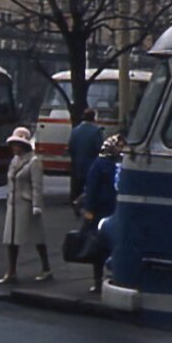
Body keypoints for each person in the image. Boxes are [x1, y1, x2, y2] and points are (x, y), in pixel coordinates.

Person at [0, 126, 52, 284]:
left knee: (37, 236)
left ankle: (46, 268)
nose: (14, 147)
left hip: (27, 204)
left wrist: (36, 205)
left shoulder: (34, 162)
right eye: (13, 143)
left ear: (25, 145)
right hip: (13, 204)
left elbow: (37, 185)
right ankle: (11, 271)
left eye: (17, 144)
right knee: (11, 238)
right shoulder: (14, 161)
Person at [81, 134, 124, 293]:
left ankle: (99, 281)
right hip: (105, 210)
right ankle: (103, 279)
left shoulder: (101, 164)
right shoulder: (111, 164)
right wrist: (89, 211)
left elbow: (92, 189)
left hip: (105, 210)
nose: (121, 149)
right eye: (118, 146)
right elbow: (91, 190)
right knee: (102, 246)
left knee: (101, 246)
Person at [67, 108, 104, 205]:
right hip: (92, 164)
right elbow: (99, 148)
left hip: (77, 164)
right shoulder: (97, 131)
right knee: (91, 187)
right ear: (94, 118)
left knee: (78, 185)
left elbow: (70, 147)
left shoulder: (75, 131)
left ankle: (76, 201)